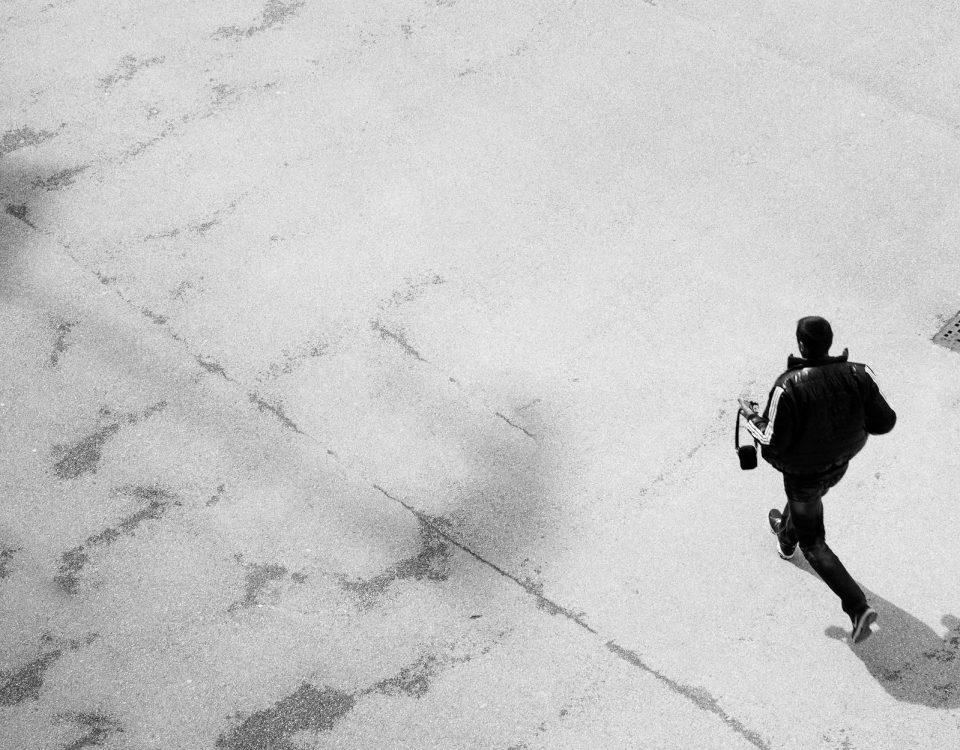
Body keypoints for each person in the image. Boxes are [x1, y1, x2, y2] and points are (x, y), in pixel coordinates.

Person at [738, 316, 896, 644]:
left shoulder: (789, 385)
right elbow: (884, 422)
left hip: (804, 474)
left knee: (814, 542)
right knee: (805, 506)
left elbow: (771, 440)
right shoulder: (859, 373)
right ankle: (785, 535)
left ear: (800, 345)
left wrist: (749, 415)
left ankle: (857, 607)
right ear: (829, 341)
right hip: (838, 464)